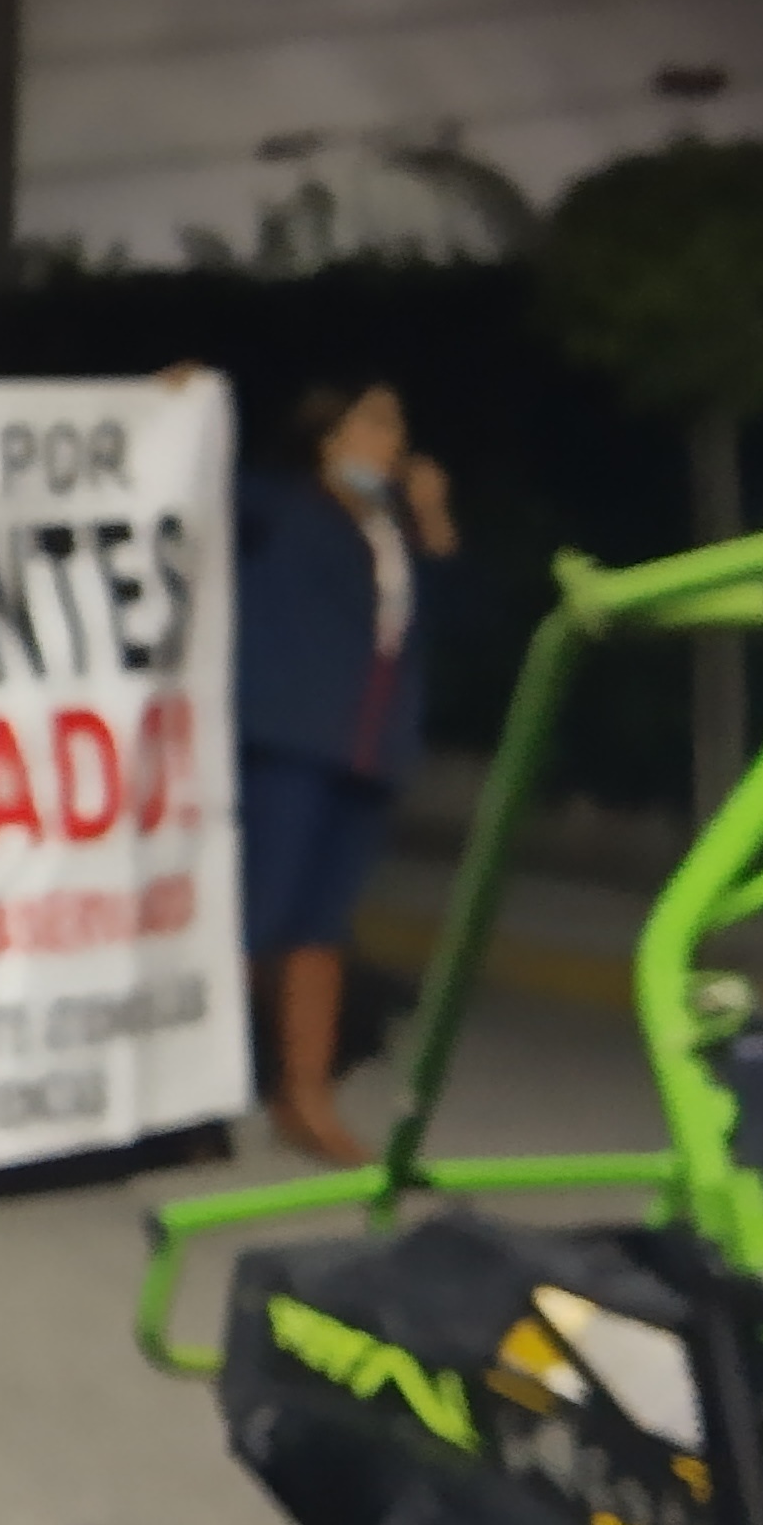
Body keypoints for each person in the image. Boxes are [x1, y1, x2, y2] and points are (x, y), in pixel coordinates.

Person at [235, 375, 460, 1167]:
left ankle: (307, 1099)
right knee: (257, 920)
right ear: (327, 440)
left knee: (321, 928)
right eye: (372, 425)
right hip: (293, 742)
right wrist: (170, 409)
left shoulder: (393, 529)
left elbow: (454, 617)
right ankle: (200, 1094)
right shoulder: (281, 507)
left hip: (368, 751)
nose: (389, 442)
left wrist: (433, 520)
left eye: (395, 428)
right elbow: (192, 487)